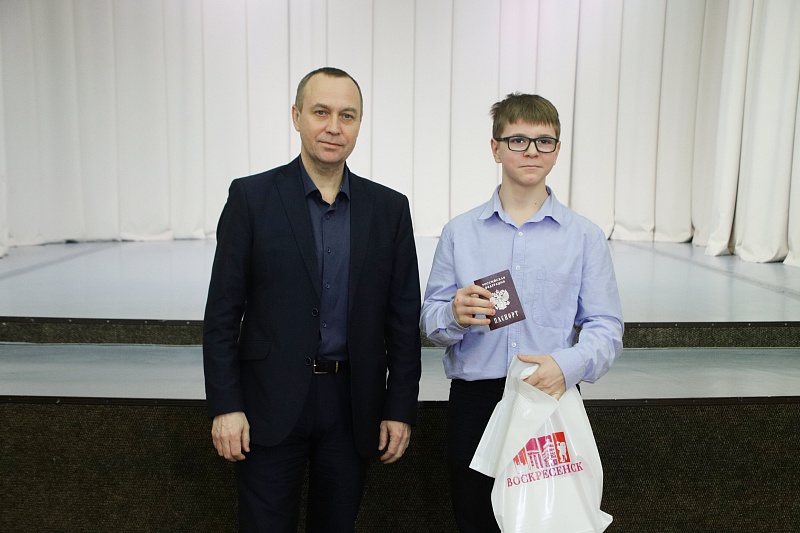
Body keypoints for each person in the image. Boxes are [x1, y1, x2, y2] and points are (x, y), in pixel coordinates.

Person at [203, 67, 422, 533]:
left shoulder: (389, 209)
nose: (334, 127)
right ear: (296, 116)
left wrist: (399, 408)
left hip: (353, 407)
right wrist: (225, 404)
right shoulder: (251, 198)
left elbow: (403, 322)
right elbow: (222, 314)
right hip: (268, 403)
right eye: (321, 112)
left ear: (359, 123)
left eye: (348, 115)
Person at [419, 93, 623, 532]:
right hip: (475, 403)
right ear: (495, 148)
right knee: (475, 519)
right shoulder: (459, 232)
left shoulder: (584, 236)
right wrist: (453, 313)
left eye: (543, 141)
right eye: (518, 140)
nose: (531, 151)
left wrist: (566, 366)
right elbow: (431, 319)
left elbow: (606, 328)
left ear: (557, 150)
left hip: (548, 397)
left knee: (548, 524)